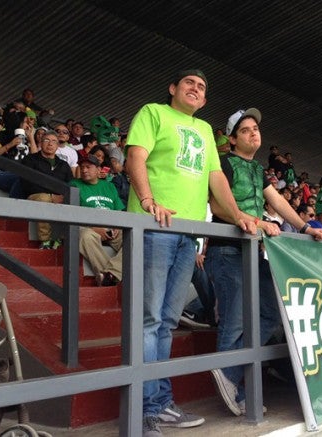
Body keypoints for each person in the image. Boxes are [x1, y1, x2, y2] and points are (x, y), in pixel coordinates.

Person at [125, 69, 256, 436]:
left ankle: (160, 403)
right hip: (155, 227)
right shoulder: (154, 112)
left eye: (201, 87)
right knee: (149, 319)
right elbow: (136, 155)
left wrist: (239, 215)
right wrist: (149, 201)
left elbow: (216, 179)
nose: (196, 89)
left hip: (189, 234)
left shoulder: (204, 131)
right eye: (189, 84)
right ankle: (144, 410)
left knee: (166, 320)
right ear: (172, 88)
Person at [206, 108, 322, 418]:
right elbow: (218, 205)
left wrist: (303, 227)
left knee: (272, 310)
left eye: (256, 128)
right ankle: (236, 388)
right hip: (227, 251)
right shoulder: (222, 163)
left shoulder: (259, 170)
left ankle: (229, 373)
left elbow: (279, 202)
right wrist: (255, 222)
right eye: (245, 130)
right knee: (233, 322)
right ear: (231, 139)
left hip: (253, 252)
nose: (253, 133)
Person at [70, 154, 125, 285]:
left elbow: (118, 210)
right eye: (82, 167)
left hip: (112, 227)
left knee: (136, 238)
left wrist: (117, 226)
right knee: (85, 236)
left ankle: (109, 274)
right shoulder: (74, 185)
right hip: (88, 228)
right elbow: (72, 215)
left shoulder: (109, 186)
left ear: (98, 169)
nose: (84, 170)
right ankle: (111, 277)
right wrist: (93, 227)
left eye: (88, 167)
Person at [21, 130, 72, 249]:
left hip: (59, 197)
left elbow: (70, 184)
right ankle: (45, 241)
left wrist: (62, 196)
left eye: (54, 141)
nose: (50, 144)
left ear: (58, 145)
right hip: (36, 196)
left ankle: (62, 239)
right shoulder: (30, 160)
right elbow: (27, 183)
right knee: (44, 199)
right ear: (40, 143)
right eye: (47, 140)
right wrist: (51, 196)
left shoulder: (63, 164)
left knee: (73, 199)